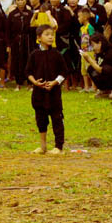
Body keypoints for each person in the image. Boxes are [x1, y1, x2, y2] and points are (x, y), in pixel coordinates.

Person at [27, 26, 66, 154]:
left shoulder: (57, 54)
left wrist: (55, 82)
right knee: (41, 119)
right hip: (39, 94)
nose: (50, 37)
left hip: (54, 94)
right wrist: (35, 83)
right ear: (39, 38)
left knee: (56, 119)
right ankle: (43, 146)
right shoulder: (34, 55)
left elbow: (63, 72)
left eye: (52, 34)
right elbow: (28, 72)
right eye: (47, 34)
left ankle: (58, 146)